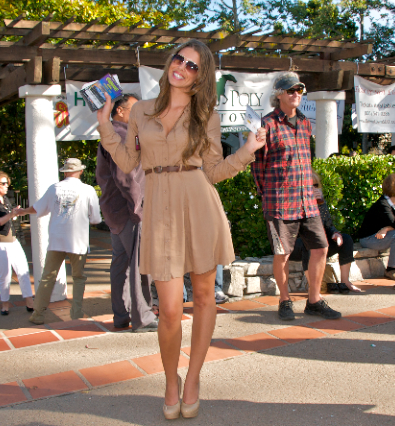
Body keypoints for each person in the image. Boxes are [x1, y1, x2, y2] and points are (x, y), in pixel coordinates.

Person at [96, 39, 266, 420]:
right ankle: (170, 381)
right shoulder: (141, 110)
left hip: (199, 202)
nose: (182, 67)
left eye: (192, 66)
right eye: (179, 59)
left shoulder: (206, 115)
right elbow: (127, 161)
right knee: (170, 309)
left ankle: (192, 378)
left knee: (204, 297)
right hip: (159, 208)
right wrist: (105, 124)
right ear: (170, 62)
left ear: (200, 77)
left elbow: (214, 171)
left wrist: (248, 150)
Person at [252, 71, 341, 322]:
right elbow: (257, 166)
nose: (296, 94)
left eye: (299, 90)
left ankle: (314, 301)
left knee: (321, 248)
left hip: (307, 201)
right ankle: (284, 300)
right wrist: (267, 196)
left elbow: (306, 162)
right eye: (290, 90)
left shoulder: (305, 123)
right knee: (282, 254)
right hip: (279, 203)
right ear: (279, 94)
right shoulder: (266, 124)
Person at [96, 93, 158, 332]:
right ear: (120, 111)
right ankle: (143, 317)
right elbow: (126, 177)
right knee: (140, 265)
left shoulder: (116, 134)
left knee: (121, 265)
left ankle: (122, 316)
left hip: (117, 211)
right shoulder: (120, 135)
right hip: (129, 211)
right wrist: (138, 209)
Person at [18, 159, 101, 323]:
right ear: (81, 171)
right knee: (78, 278)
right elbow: (96, 219)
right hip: (78, 241)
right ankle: (76, 314)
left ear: (64, 172)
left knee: (48, 277)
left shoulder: (54, 188)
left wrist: (23, 211)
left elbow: (38, 208)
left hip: (57, 240)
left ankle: (38, 314)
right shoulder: (88, 190)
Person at [290, 172, 360, 293]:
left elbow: (328, 225)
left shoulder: (320, 202)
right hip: (296, 245)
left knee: (346, 239)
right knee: (309, 243)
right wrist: (309, 203)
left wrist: (335, 234)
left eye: (316, 185)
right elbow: (298, 230)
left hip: (318, 244)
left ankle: (345, 282)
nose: (313, 188)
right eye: (309, 186)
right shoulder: (293, 203)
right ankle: (313, 288)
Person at [0, 171, 34, 315]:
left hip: (13, 241)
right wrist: (11, 214)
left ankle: (30, 302)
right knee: (5, 274)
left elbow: (10, 217)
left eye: (7, 183)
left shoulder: (5, 199)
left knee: (23, 271)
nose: (7, 186)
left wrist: (16, 213)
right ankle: (5, 304)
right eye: (3, 183)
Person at [357, 174, 395, 281]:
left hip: (384, 236)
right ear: (394, 188)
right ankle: (391, 269)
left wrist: (386, 229)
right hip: (369, 238)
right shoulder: (383, 204)